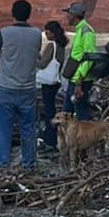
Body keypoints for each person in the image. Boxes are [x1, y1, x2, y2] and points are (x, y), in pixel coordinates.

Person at [0, 0, 42, 170]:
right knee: (28, 127)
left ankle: (2, 163)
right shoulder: (37, 34)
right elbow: (36, 53)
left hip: (6, 87)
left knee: (3, 127)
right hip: (28, 87)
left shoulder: (4, 32)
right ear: (29, 14)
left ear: (12, 13)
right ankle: (29, 163)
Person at [36, 20, 68, 152]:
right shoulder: (61, 46)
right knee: (52, 110)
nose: (45, 34)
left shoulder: (51, 45)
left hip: (48, 83)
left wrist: (32, 56)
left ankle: (50, 140)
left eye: (47, 31)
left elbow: (42, 64)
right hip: (56, 81)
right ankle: (55, 138)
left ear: (53, 33)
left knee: (49, 112)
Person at [62, 2, 97, 120]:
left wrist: (79, 83)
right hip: (75, 79)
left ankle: (88, 138)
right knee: (66, 115)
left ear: (74, 15)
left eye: (68, 13)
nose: (67, 16)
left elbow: (89, 58)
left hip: (80, 81)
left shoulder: (86, 32)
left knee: (82, 116)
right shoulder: (80, 30)